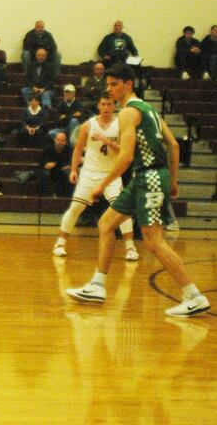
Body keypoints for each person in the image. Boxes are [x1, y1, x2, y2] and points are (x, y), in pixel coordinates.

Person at [66, 64, 211, 317]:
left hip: (149, 177)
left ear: (128, 84)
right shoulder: (150, 110)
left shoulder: (128, 113)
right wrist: (173, 181)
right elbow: (174, 145)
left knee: (154, 240)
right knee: (106, 223)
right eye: (108, 84)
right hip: (148, 177)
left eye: (114, 84)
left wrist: (101, 186)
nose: (109, 89)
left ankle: (194, 296)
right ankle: (98, 285)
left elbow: (125, 157)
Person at [52, 93, 139, 260]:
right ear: (99, 106)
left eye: (109, 104)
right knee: (76, 208)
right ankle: (61, 242)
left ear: (114, 106)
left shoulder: (121, 125)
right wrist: (73, 170)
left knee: (121, 210)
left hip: (111, 174)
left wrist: (108, 141)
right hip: (90, 173)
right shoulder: (88, 125)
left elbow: (125, 151)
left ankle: (130, 247)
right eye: (103, 104)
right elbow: (77, 149)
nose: (106, 108)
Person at [37, 132, 73, 197]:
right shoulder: (48, 149)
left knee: (69, 173)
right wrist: (46, 165)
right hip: (51, 170)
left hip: (63, 170)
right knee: (44, 173)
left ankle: (67, 196)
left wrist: (70, 166)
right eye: (57, 139)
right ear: (55, 140)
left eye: (62, 140)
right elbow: (42, 162)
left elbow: (72, 161)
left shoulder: (69, 149)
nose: (59, 142)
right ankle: (46, 196)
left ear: (65, 142)